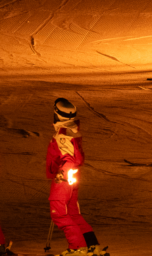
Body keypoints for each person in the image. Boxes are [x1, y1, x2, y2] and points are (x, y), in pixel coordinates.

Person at [46, 99, 109, 256]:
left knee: (58, 212)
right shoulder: (71, 130)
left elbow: (71, 157)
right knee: (72, 212)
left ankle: (77, 247)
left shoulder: (63, 133)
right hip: (71, 174)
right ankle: (91, 245)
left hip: (64, 175)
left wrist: (61, 171)